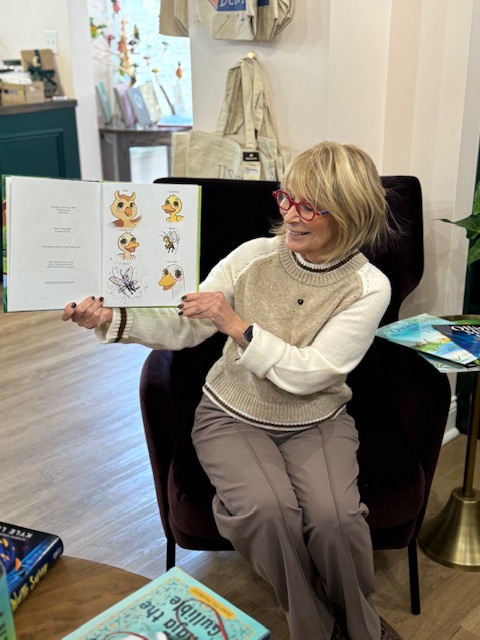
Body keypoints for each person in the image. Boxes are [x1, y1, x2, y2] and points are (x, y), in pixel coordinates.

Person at [62, 141, 403, 640]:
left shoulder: (369, 286)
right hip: (231, 414)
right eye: (286, 197)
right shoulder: (252, 256)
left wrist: (239, 327)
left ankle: (361, 626)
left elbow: (316, 372)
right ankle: (315, 628)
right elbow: (185, 323)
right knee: (269, 511)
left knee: (336, 519)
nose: (290, 214)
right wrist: (112, 318)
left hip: (317, 419)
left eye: (309, 206)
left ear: (350, 214)